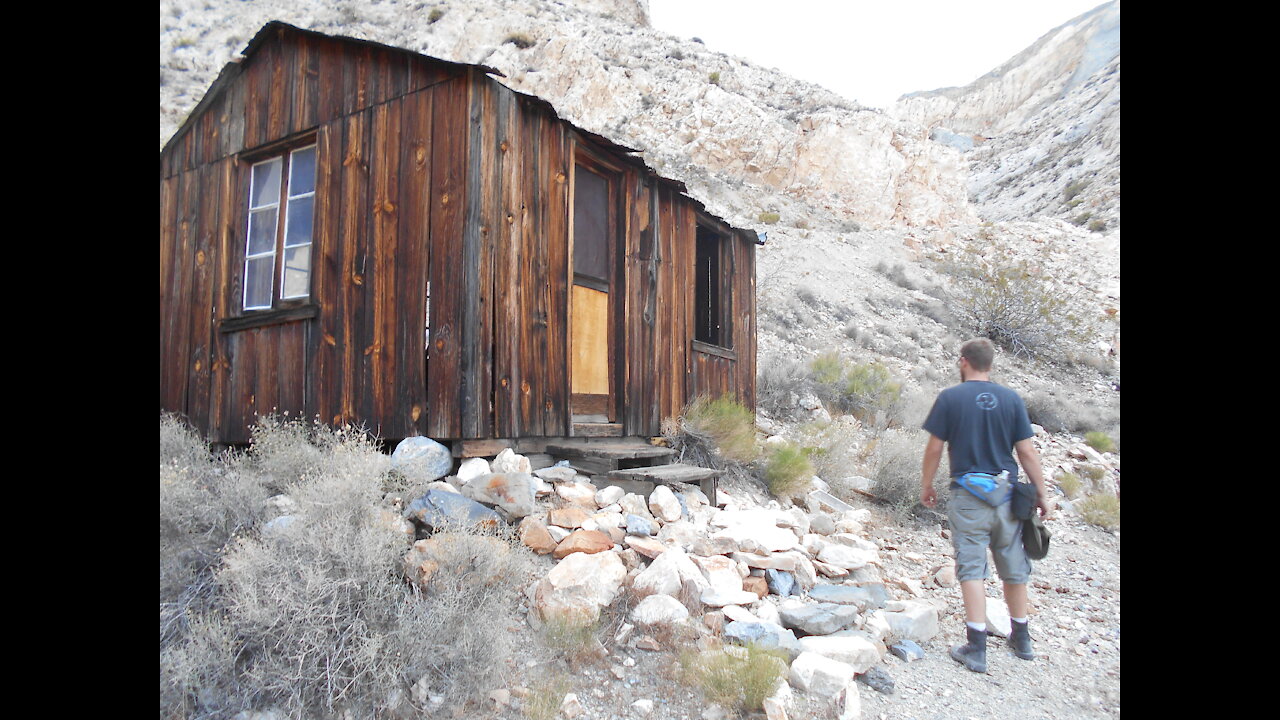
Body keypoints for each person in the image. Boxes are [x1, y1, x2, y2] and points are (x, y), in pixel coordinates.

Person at [919, 338, 1051, 673]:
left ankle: (976, 647)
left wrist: (927, 484)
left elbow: (934, 448)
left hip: (968, 496)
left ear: (964, 361)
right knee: (1014, 566)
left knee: (972, 568)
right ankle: (1021, 638)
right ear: (989, 364)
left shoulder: (950, 398)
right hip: (1006, 497)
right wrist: (1042, 493)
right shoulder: (1010, 399)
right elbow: (1027, 453)